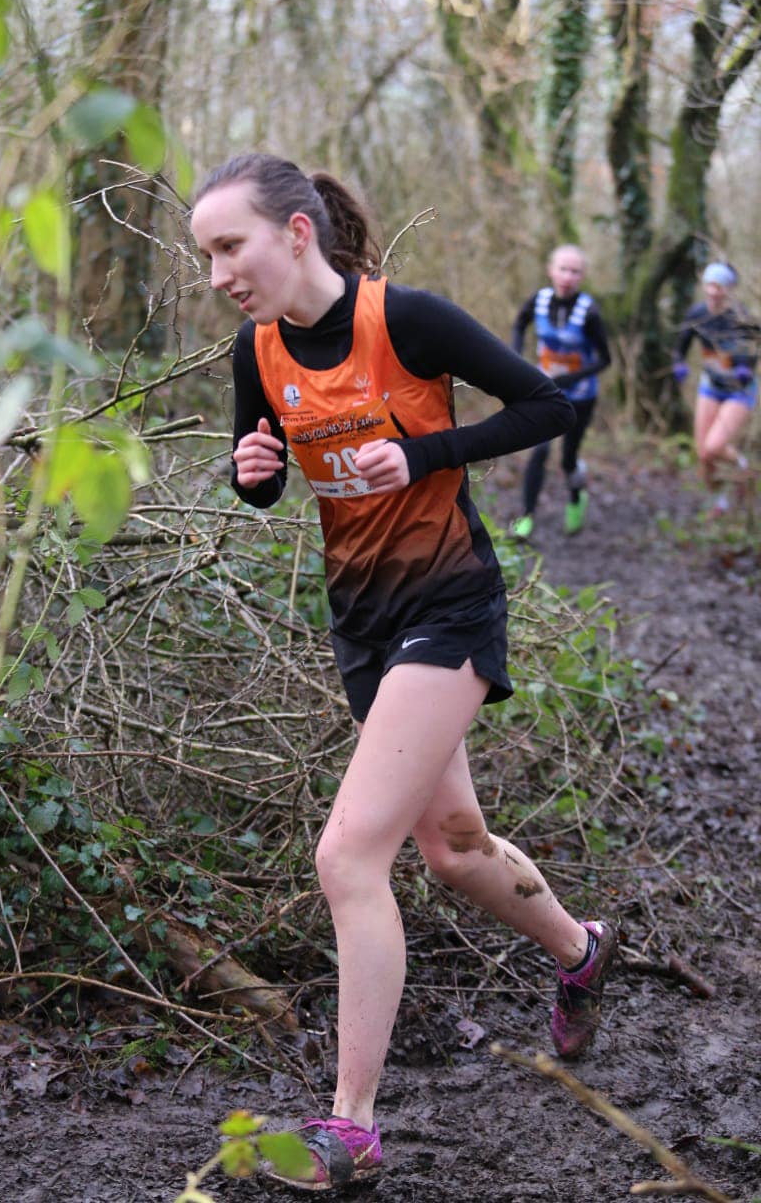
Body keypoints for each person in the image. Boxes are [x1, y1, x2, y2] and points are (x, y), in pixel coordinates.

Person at [190, 154, 617, 1192]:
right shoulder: (258, 350)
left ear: (296, 234)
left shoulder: (408, 319)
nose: (217, 275)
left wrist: (425, 455)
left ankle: (354, 1129)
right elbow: (269, 473)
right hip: (363, 623)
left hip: (449, 604)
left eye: (229, 248)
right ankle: (581, 951)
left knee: (349, 857)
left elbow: (549, 409)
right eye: (204, 256)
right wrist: (253, 474)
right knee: (454, 850)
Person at [510, 245, 611, 539]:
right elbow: (519, 323)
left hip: (581, 396)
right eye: (563, 269)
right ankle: (526, 518)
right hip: (547, 393)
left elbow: (606, 359)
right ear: (550, 270)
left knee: (568, 458)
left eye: (575, 271)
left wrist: (570, 378)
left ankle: (577, 498)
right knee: (539, 451)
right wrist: (514, 357)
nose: (568, 276)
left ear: (582, 276)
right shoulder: (539, 301)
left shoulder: (589, 312)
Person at [672, 261, 758, 517]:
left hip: (739, 389)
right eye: (709, 284)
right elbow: (680, 345)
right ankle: (720, 502)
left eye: (719, 286)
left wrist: (746, 367)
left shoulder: (741, 316)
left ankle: (745, 468)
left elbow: (755, 346)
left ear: (729, 289)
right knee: (703, 455)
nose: (713, 291)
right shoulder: (697, 314)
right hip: (710, 386)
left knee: (714, 446)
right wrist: (679, 364)